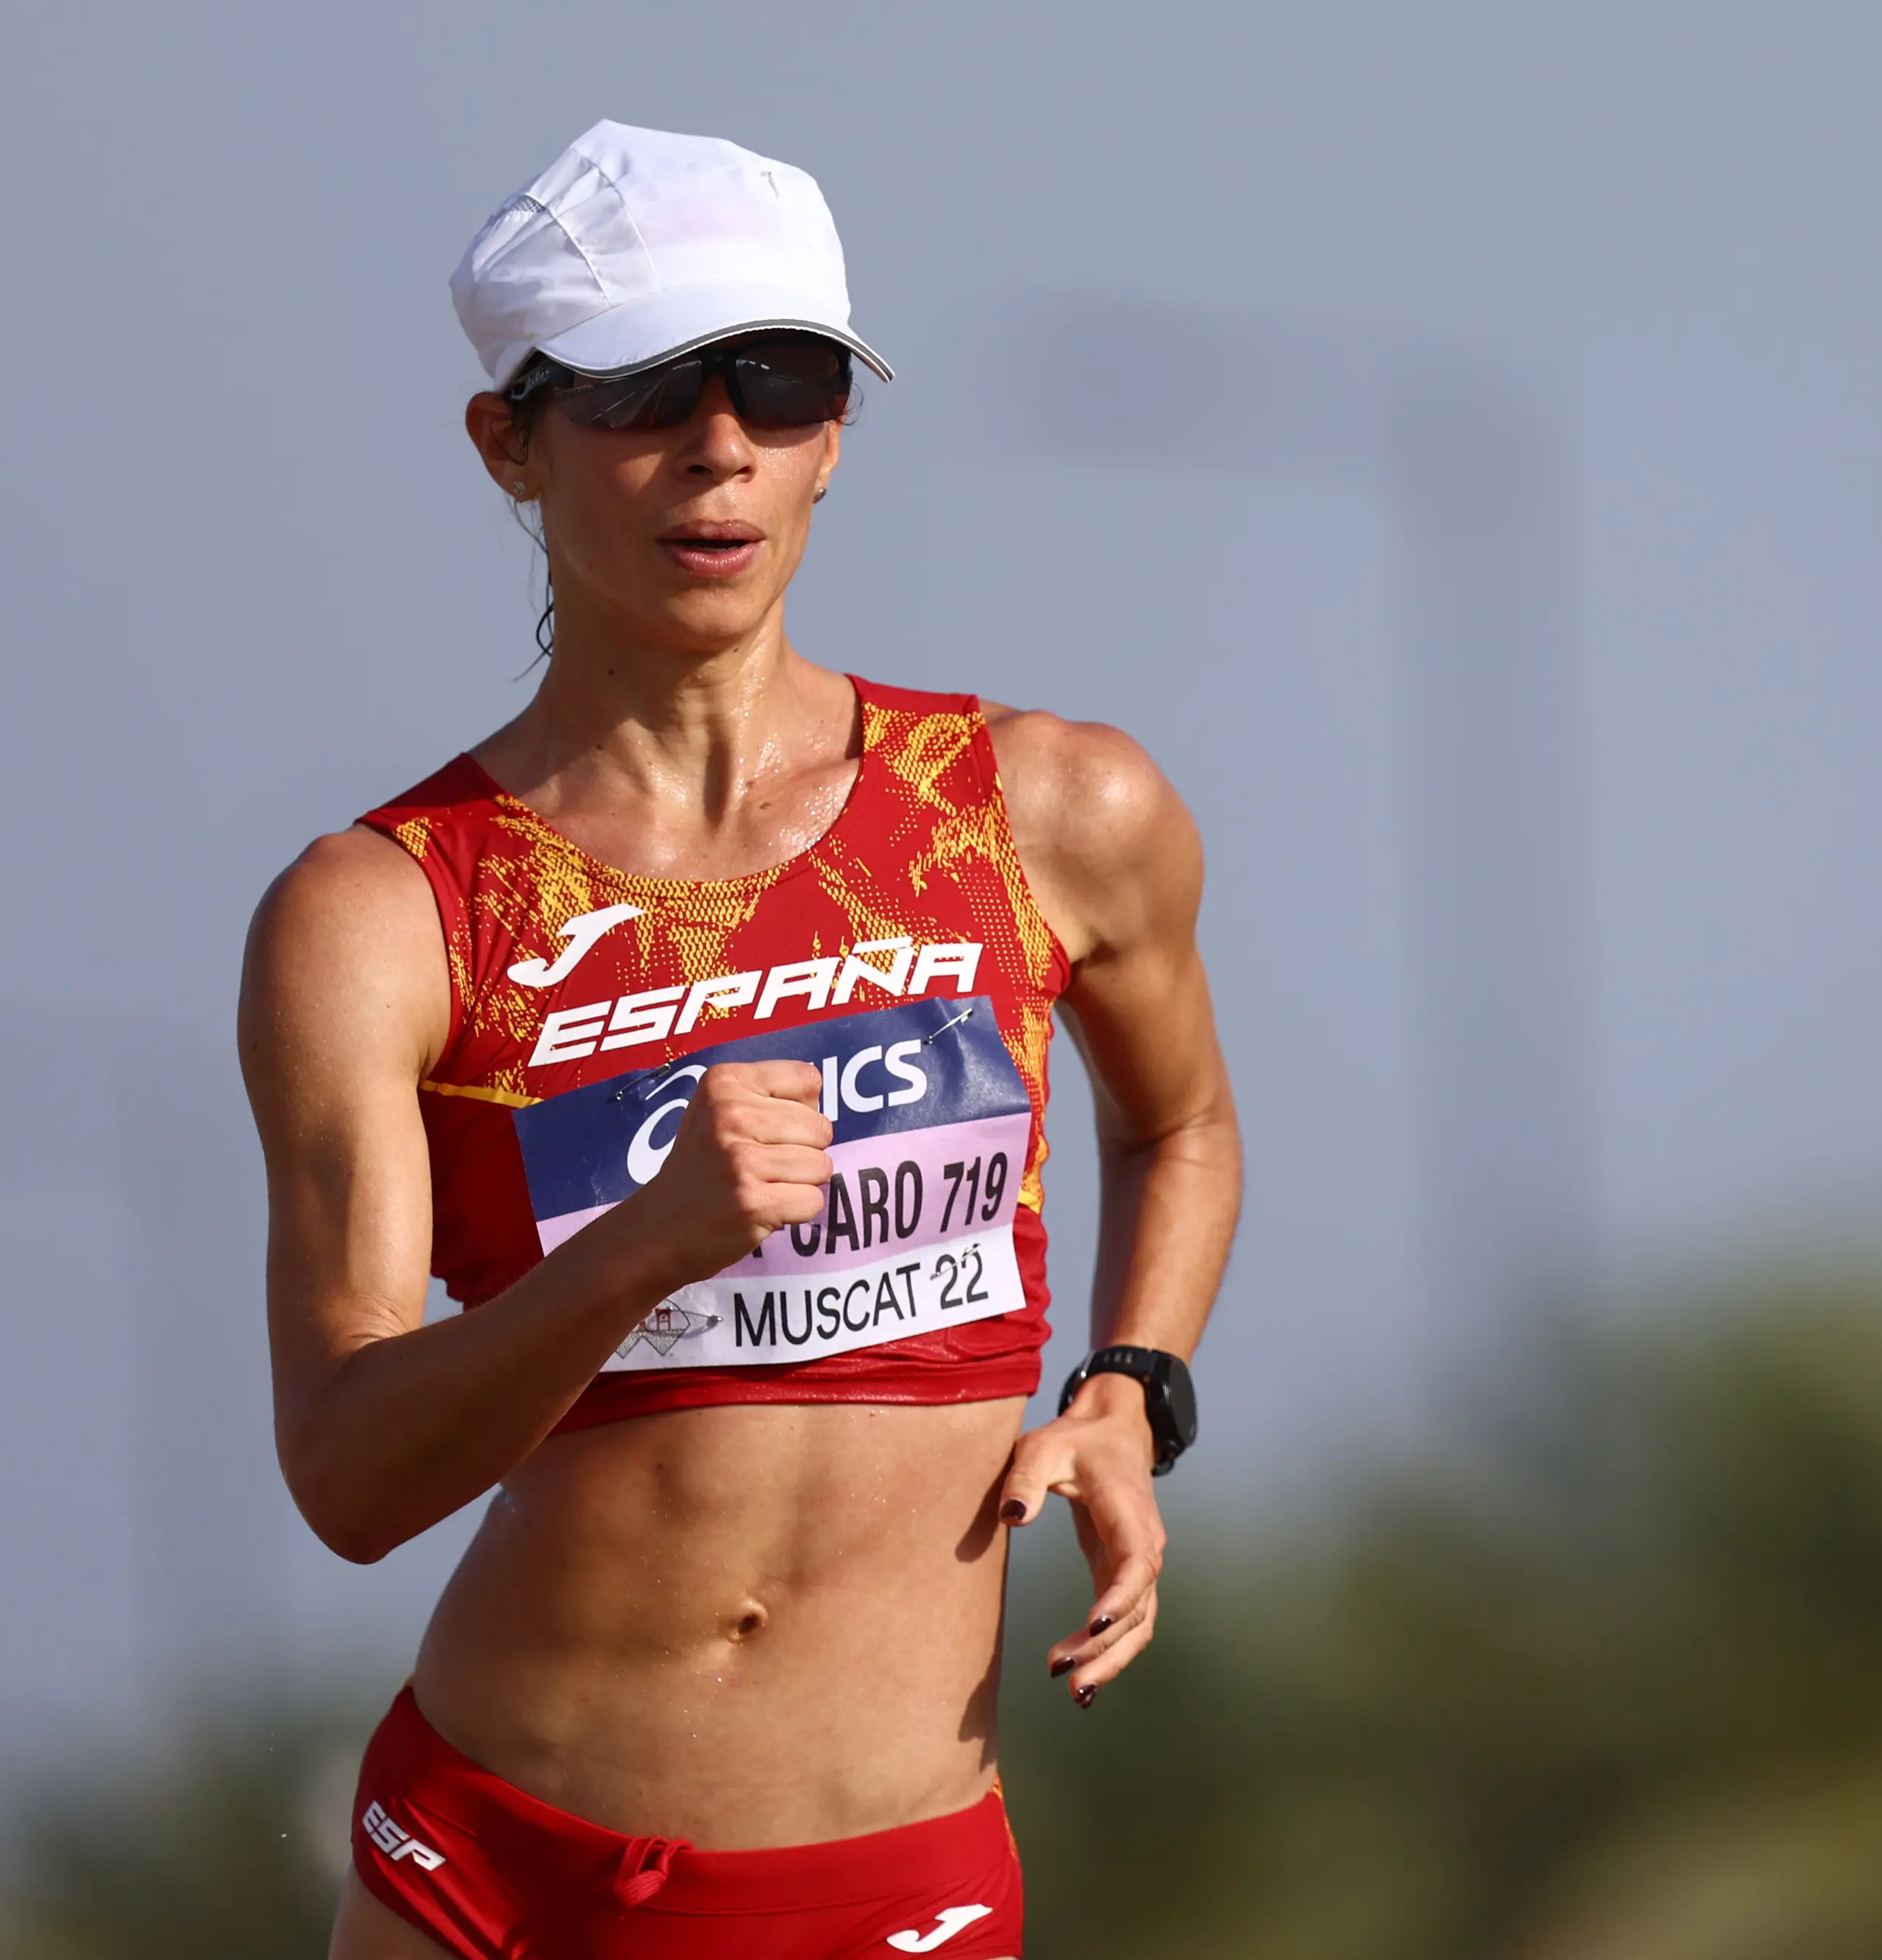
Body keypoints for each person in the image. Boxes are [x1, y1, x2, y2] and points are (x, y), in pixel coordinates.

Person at [238, 122, 1239, 1960]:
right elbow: (350, 1480)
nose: (718, 446)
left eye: (776, 382)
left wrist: (1129, 1389)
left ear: (834, 435)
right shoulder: (382, 910)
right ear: (506, 443)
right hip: (494, 1867)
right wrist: (643, 1249)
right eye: (638, 393)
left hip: (892, 1880)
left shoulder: (1050, 807)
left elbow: (1175, 1129)